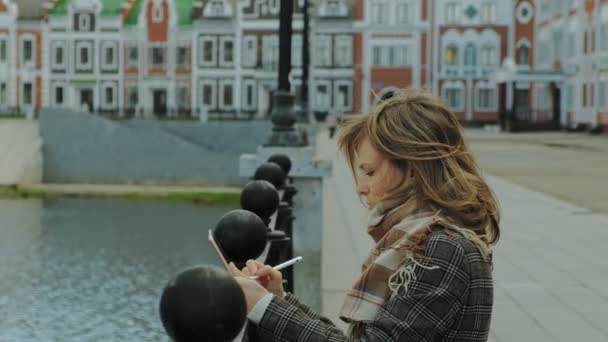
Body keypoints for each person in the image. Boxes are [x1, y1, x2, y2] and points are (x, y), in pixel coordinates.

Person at [229, 88, 501, 342]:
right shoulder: (429, 238)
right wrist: (279, 299)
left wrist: (265, 308)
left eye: (370, 172)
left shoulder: (443, 248)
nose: (360, 188)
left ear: (413, 169)